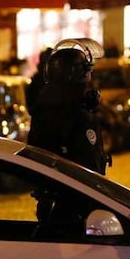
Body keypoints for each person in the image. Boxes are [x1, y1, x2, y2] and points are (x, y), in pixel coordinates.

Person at [27, 39, 109, 229]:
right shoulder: (79, 117)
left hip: (50, 204)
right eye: (87, 73)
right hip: (76, 209)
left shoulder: (43, 110)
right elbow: (90, 170)